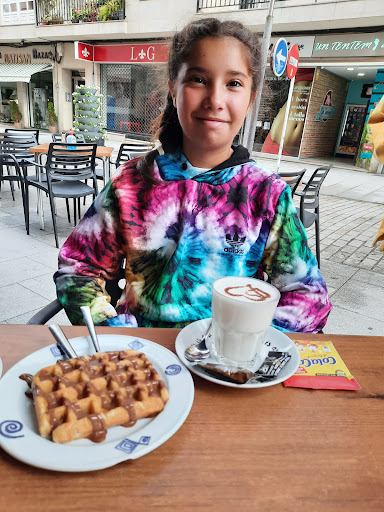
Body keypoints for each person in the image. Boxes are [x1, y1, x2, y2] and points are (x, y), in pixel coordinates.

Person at [54, 17, 332, 332]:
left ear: (251, 98)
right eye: (198, 79)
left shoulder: (265, 194)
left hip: (228, 362)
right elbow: (78, 270)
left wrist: (254, 343)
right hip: (143, 355)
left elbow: (309, 296)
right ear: (174, 89)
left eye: (234, 83)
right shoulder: (130, 183)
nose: (215, 100)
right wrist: (115, 331)